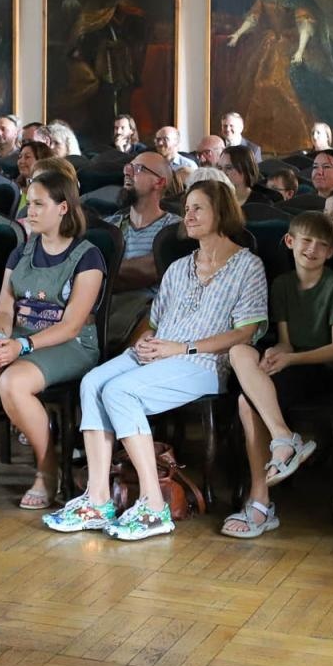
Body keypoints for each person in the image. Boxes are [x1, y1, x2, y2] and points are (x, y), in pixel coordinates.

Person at [43, 180, 265, 541]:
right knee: (93, 382)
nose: (188, 216)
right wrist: (143, 340)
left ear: (221, 213)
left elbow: (246, 332)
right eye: (187, 208)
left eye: (198, 209)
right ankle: (98, 499)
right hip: (161, 350)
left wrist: (182, 348)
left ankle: (152, 505)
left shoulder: (247, 266)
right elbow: (156, 321)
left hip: (204, 362)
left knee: (119, 392)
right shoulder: (179, 267)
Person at [0, 169, 103, 515]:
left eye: (38, 204)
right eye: (28, 203)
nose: (29, 211)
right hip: (18, 335)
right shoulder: (22, 251)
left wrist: (23, 347)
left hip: (69, 342)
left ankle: (47, 470)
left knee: (13, 382)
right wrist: (1, 337)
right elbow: (5, 308)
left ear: (63, 208)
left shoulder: (88, 256)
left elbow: (71, 325)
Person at [221, 210, 333, 539]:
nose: (313, 250)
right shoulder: (281, 284)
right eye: (307, 241)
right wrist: (277, 354)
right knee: (243, 375)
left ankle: (260, 502)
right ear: (290, 241)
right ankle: (283, 445)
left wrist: (292, 359)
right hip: (294, 364)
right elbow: (285, 339)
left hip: (325, 370)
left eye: (322, 245)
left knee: (248, 400)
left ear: (331, 252)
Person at [223, 0, 333, 152]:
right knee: (258, 84)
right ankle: (259, 141)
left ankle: (296, 139)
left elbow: (304, 23)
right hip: (267, 42)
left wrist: (300, 50)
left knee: (283, 84)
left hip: (293, 43)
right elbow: (254, 16)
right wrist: (238, 34)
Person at [64, 0, 146, 145]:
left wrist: (124, 43)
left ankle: (124, 137)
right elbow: (84, 30)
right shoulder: (94, 4)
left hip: (122, 60)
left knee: (122, 96)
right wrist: (98, 46)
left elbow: (136, 31)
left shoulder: (126, 4)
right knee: (103, 97)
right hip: (101, 59)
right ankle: (104, 137)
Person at [106, 151, 181, 349]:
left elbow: (154, 270)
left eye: (138, 169)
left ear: (159, 182)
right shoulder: (109, 225)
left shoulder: (176, 229)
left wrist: (105, 273)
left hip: (151, 315)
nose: (128, 172)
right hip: (107, 309)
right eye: (128, 167)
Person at [216, 144, 280, 207]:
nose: (222, 173)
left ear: (246, 169)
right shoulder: (214, 199)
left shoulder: (261, 204)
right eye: (219, 168)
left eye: (229, 168)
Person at [13, 141, 55, 216]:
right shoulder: (14, 189)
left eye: (27, 157)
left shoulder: (51, 194)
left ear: (42, 160)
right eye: (20, 157)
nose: (21, 161)